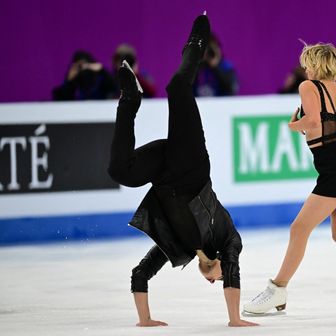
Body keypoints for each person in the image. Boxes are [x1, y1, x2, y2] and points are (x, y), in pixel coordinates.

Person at [107, 13, 258, 327]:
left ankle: (130, 99)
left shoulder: (177, 246)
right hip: (192, 170)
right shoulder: (229, 239)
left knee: (120, 171)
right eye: (218, 279)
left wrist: (145, 319)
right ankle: (200, 33)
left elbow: (140, 274)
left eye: (214, 282)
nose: (215, 280)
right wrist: (235, 319)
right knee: (178, 87)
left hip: (164, 173)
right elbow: (232, 268)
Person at [244, 42, 336, 314]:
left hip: (332, 170)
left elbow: (314, 122)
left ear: (315, 64)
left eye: (306, 63)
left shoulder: (309, 87)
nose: (304, 69)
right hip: (332, 165)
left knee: (299, 228)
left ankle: (277, 289)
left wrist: (293, 125)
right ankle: (278, 292)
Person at [193, 32, 238, 97]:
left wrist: (216, 66)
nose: (208, 51)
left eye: (211, 48)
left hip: (221, 105)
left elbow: (232, 89)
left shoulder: (226, 66)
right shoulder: (196, 67)